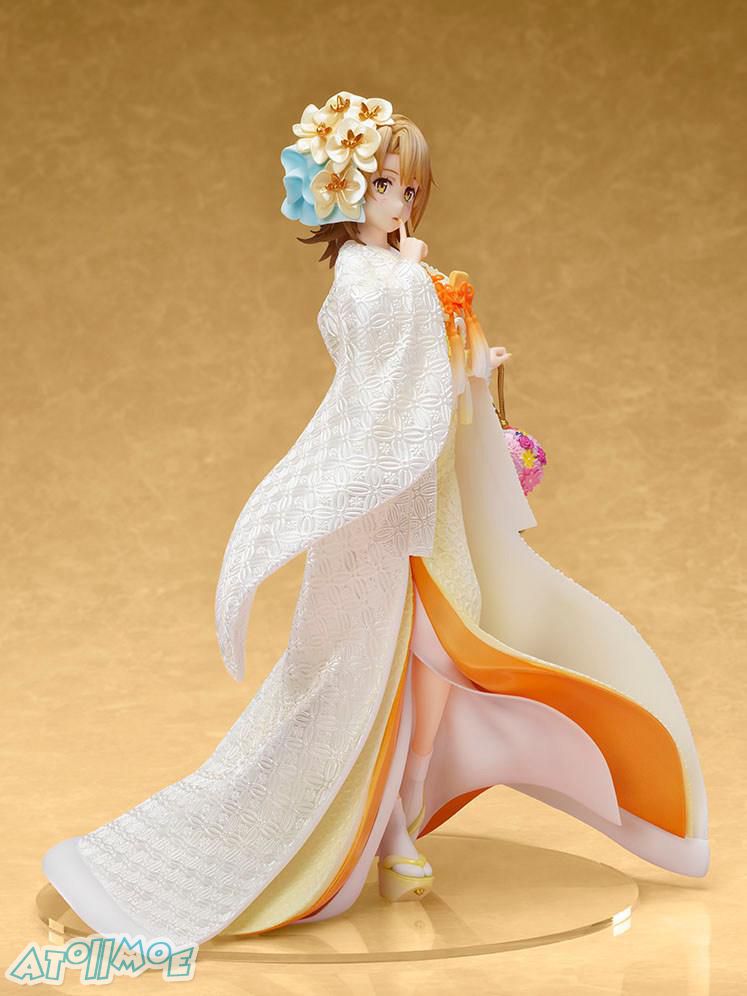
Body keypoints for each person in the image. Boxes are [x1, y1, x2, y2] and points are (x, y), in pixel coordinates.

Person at [42, 89, 709, 946]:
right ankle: (388, 833)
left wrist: (472, 364)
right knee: (375, 675)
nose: (398, 202)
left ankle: (402, 818)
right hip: (383, 514)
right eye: (384, 185)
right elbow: (386, 387)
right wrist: (433, 320)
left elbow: (438, 366)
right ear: (345, 190)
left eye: (408, 188)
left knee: (437, 667)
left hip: (427, 514)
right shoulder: (366, 281)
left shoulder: (402, 273)